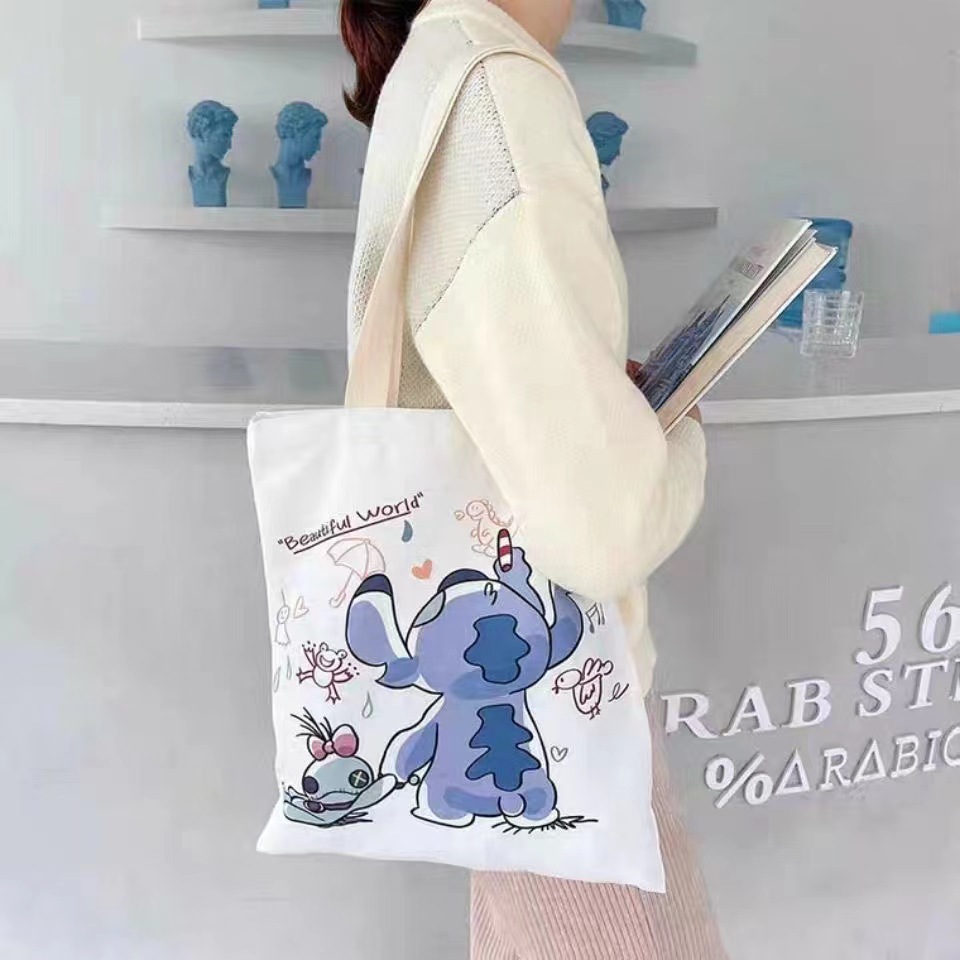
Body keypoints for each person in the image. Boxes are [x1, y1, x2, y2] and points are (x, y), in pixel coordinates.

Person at [341, 1, 725, 957]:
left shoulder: (445, 62)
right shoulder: (497, 89)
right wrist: (680, 432)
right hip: (569, 716)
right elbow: (603, 532)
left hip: (524, 707)